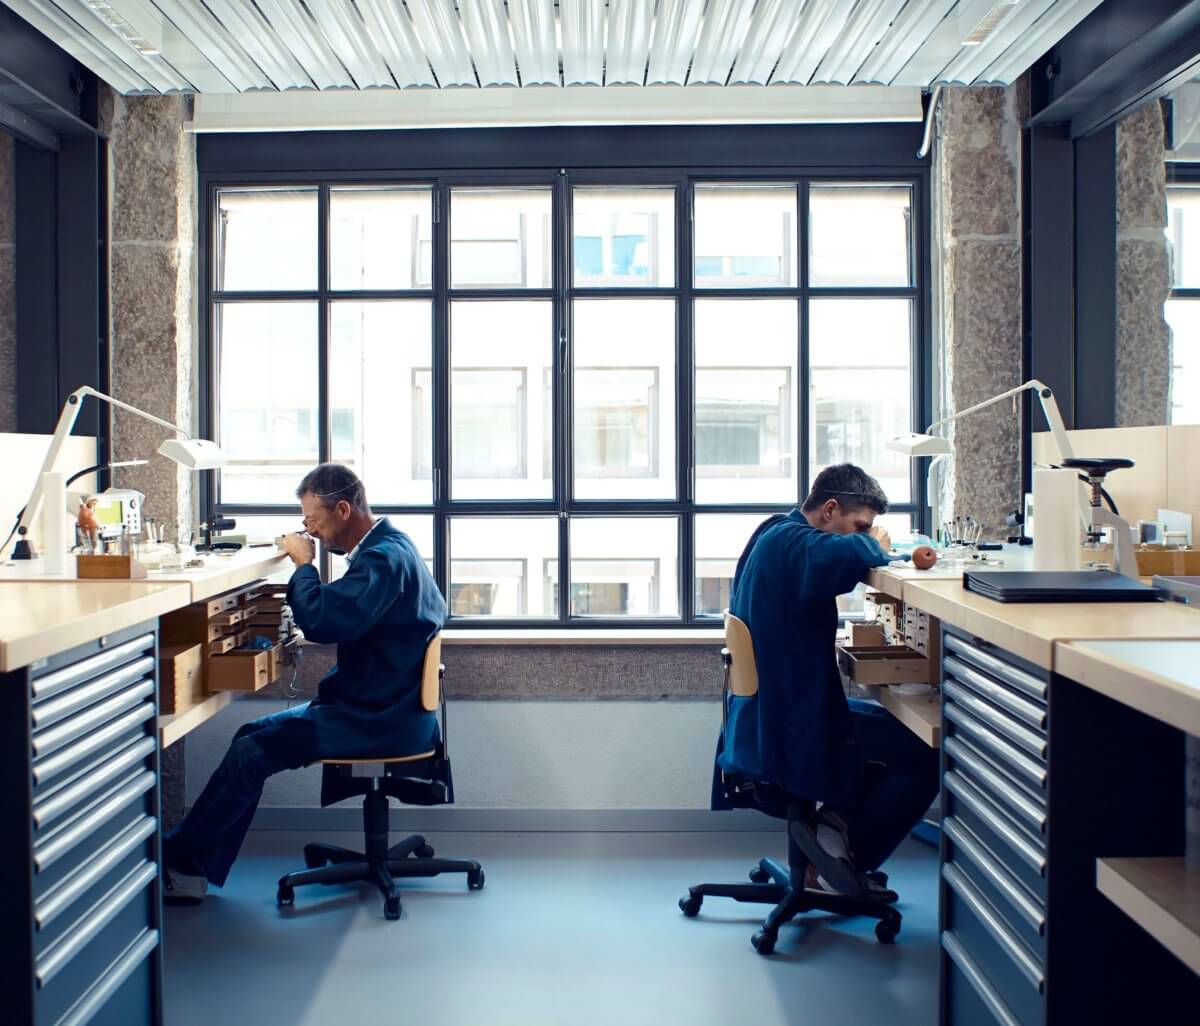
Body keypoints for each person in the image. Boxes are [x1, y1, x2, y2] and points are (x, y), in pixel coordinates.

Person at [162, 463, 446, 902]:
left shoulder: (382, 559)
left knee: (250, 752)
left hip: (377, 719)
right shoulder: (394, 545)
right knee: (249, 734)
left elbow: (322, 620)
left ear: (344, 510)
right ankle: (195, 864)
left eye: (313, 520)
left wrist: (303, 566)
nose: (310, 530)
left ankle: (181, 864)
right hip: (391, 706)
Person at [712, 463, 939, 896]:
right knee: (923, 752)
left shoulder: (774, 532)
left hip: (775, 708)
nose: (865, 533)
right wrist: (871, 543)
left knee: (888, 730)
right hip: (788, 719)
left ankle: (831, 831)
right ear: (830, 509)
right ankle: (838, 860)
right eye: (860, 524)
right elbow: (847, 554)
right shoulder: (790, 541)